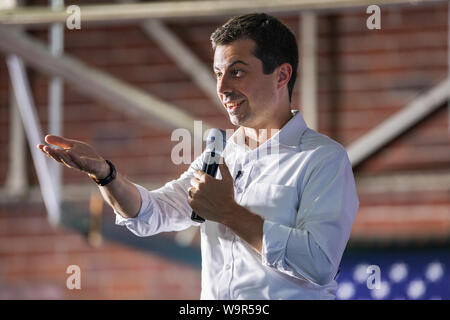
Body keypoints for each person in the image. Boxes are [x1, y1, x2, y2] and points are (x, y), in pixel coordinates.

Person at [38, 13, 359, 299]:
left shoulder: (322, 160)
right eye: (218, 73)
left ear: (281, 75)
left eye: (237, 72)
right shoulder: (219, 155)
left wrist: (229, 213)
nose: (222, 87)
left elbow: (319, 263)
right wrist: (105, 174)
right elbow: (152, 213)